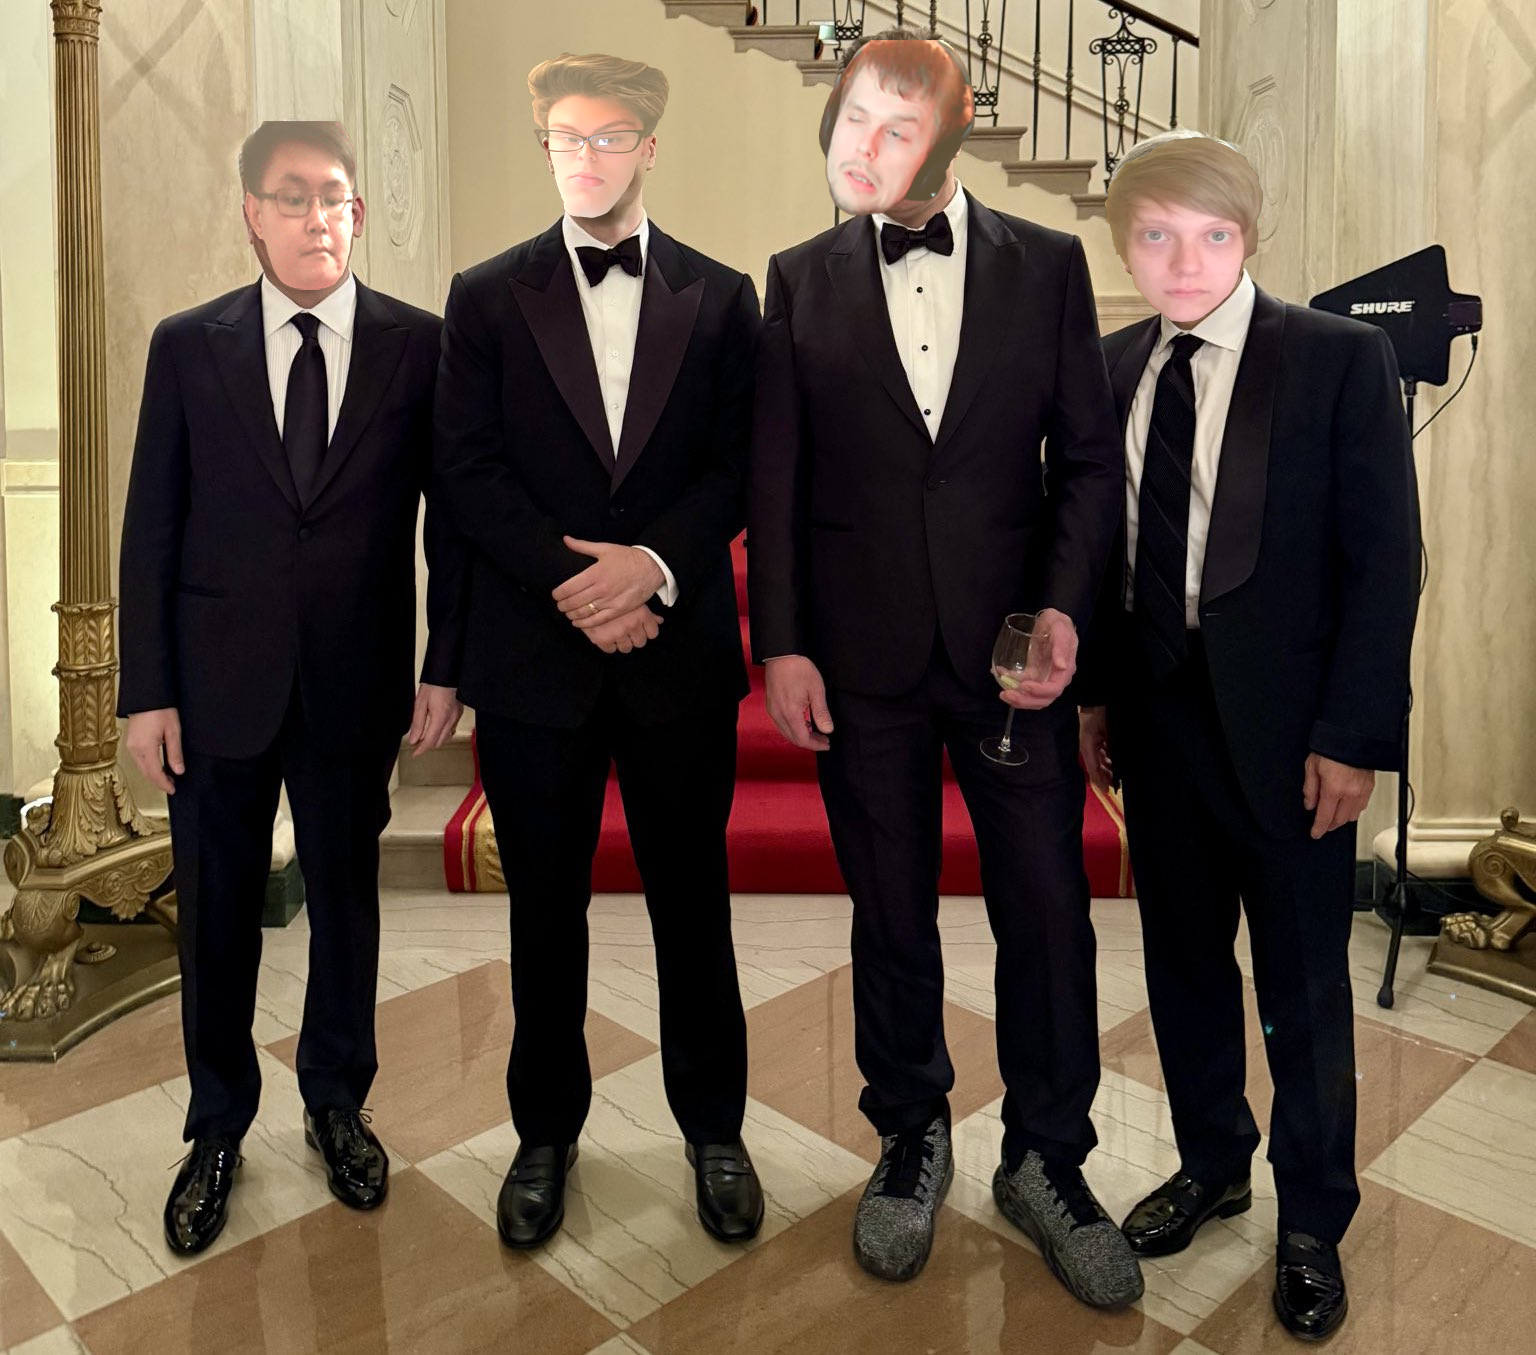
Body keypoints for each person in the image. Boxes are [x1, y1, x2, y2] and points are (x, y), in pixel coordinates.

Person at [749, 30, 1140, 1303]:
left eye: (899, 123)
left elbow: (1087, 462)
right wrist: (782, 642)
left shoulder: (1049, 264)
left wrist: (1064, 610)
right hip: (859, 659)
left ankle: (1047, 1156)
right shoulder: (796, 278)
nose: (867, 143)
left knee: (1048, 910)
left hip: (1009, 658)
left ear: (955, 136)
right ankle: (911, 1134)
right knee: (890, 909)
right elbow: (778, 478)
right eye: (855, 120)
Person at [1070, 129, 1421, 1342]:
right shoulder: (1110, 366)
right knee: (1183, 965)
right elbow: (1109, 554)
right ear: (1123, 246)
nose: (1185, 260)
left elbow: (1386, 561)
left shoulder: (1337, 357)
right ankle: (1213, 1159)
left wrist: (1354, 734)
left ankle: (1312, 1214)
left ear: (1250, 236)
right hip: (1158, 724)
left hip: (1293, 737)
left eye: (1212, 234)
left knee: (1304, 985)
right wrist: (1098, 697)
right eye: (1157, 236)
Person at [433, 52, 764, 1250]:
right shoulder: (485, 296)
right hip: (538, 656)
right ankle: (545, 1132)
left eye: (608, 136)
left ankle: (714, 1130)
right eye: (564, 138)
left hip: (677, 655)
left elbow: (740, 463)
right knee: (544, 912)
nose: (585, 158)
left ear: (649, 149)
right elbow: (465, 469)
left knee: (694, 905)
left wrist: (654, 566)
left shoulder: (723, 296)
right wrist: (580, 583)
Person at [119, 120, 467, 1255]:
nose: (318, 216)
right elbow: (152, 523)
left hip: (352, 681)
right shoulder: (189, 346)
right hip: (213, 687)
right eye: (293, 196)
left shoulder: (418, 345)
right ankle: (217, 1125)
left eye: (336, 198)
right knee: (217, 916)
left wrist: (444, 662)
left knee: (347, 904)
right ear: (253, 215)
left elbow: (452, 522)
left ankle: (337, 1101)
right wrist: (146, 690)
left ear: (357, 215)